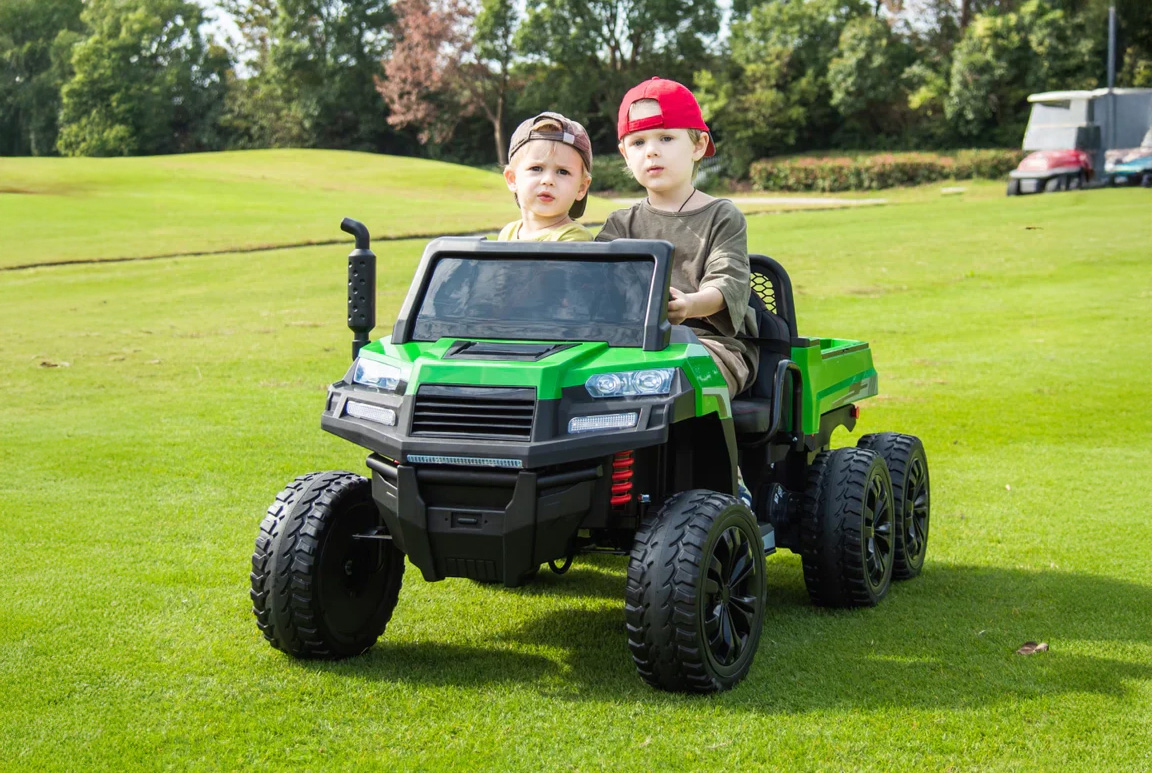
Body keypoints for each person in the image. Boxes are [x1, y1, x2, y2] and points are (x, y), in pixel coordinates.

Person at [595, 77, 757, 398]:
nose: (651, 151)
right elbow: (594, 285)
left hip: (708, 345)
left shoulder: (721, 216)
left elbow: (727, 283)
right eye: (638, 143)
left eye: (666, 138)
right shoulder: (619, 225)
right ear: (625, 154)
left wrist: (689, 305)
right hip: (633, 346)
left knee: (664, 382)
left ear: (698, 146)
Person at [498, 112, 594, 242]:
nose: (548, 180)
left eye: (563, 171)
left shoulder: (574, 238)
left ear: (581, 188)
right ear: (512, 179)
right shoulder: (508, 233)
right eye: (536, 168)